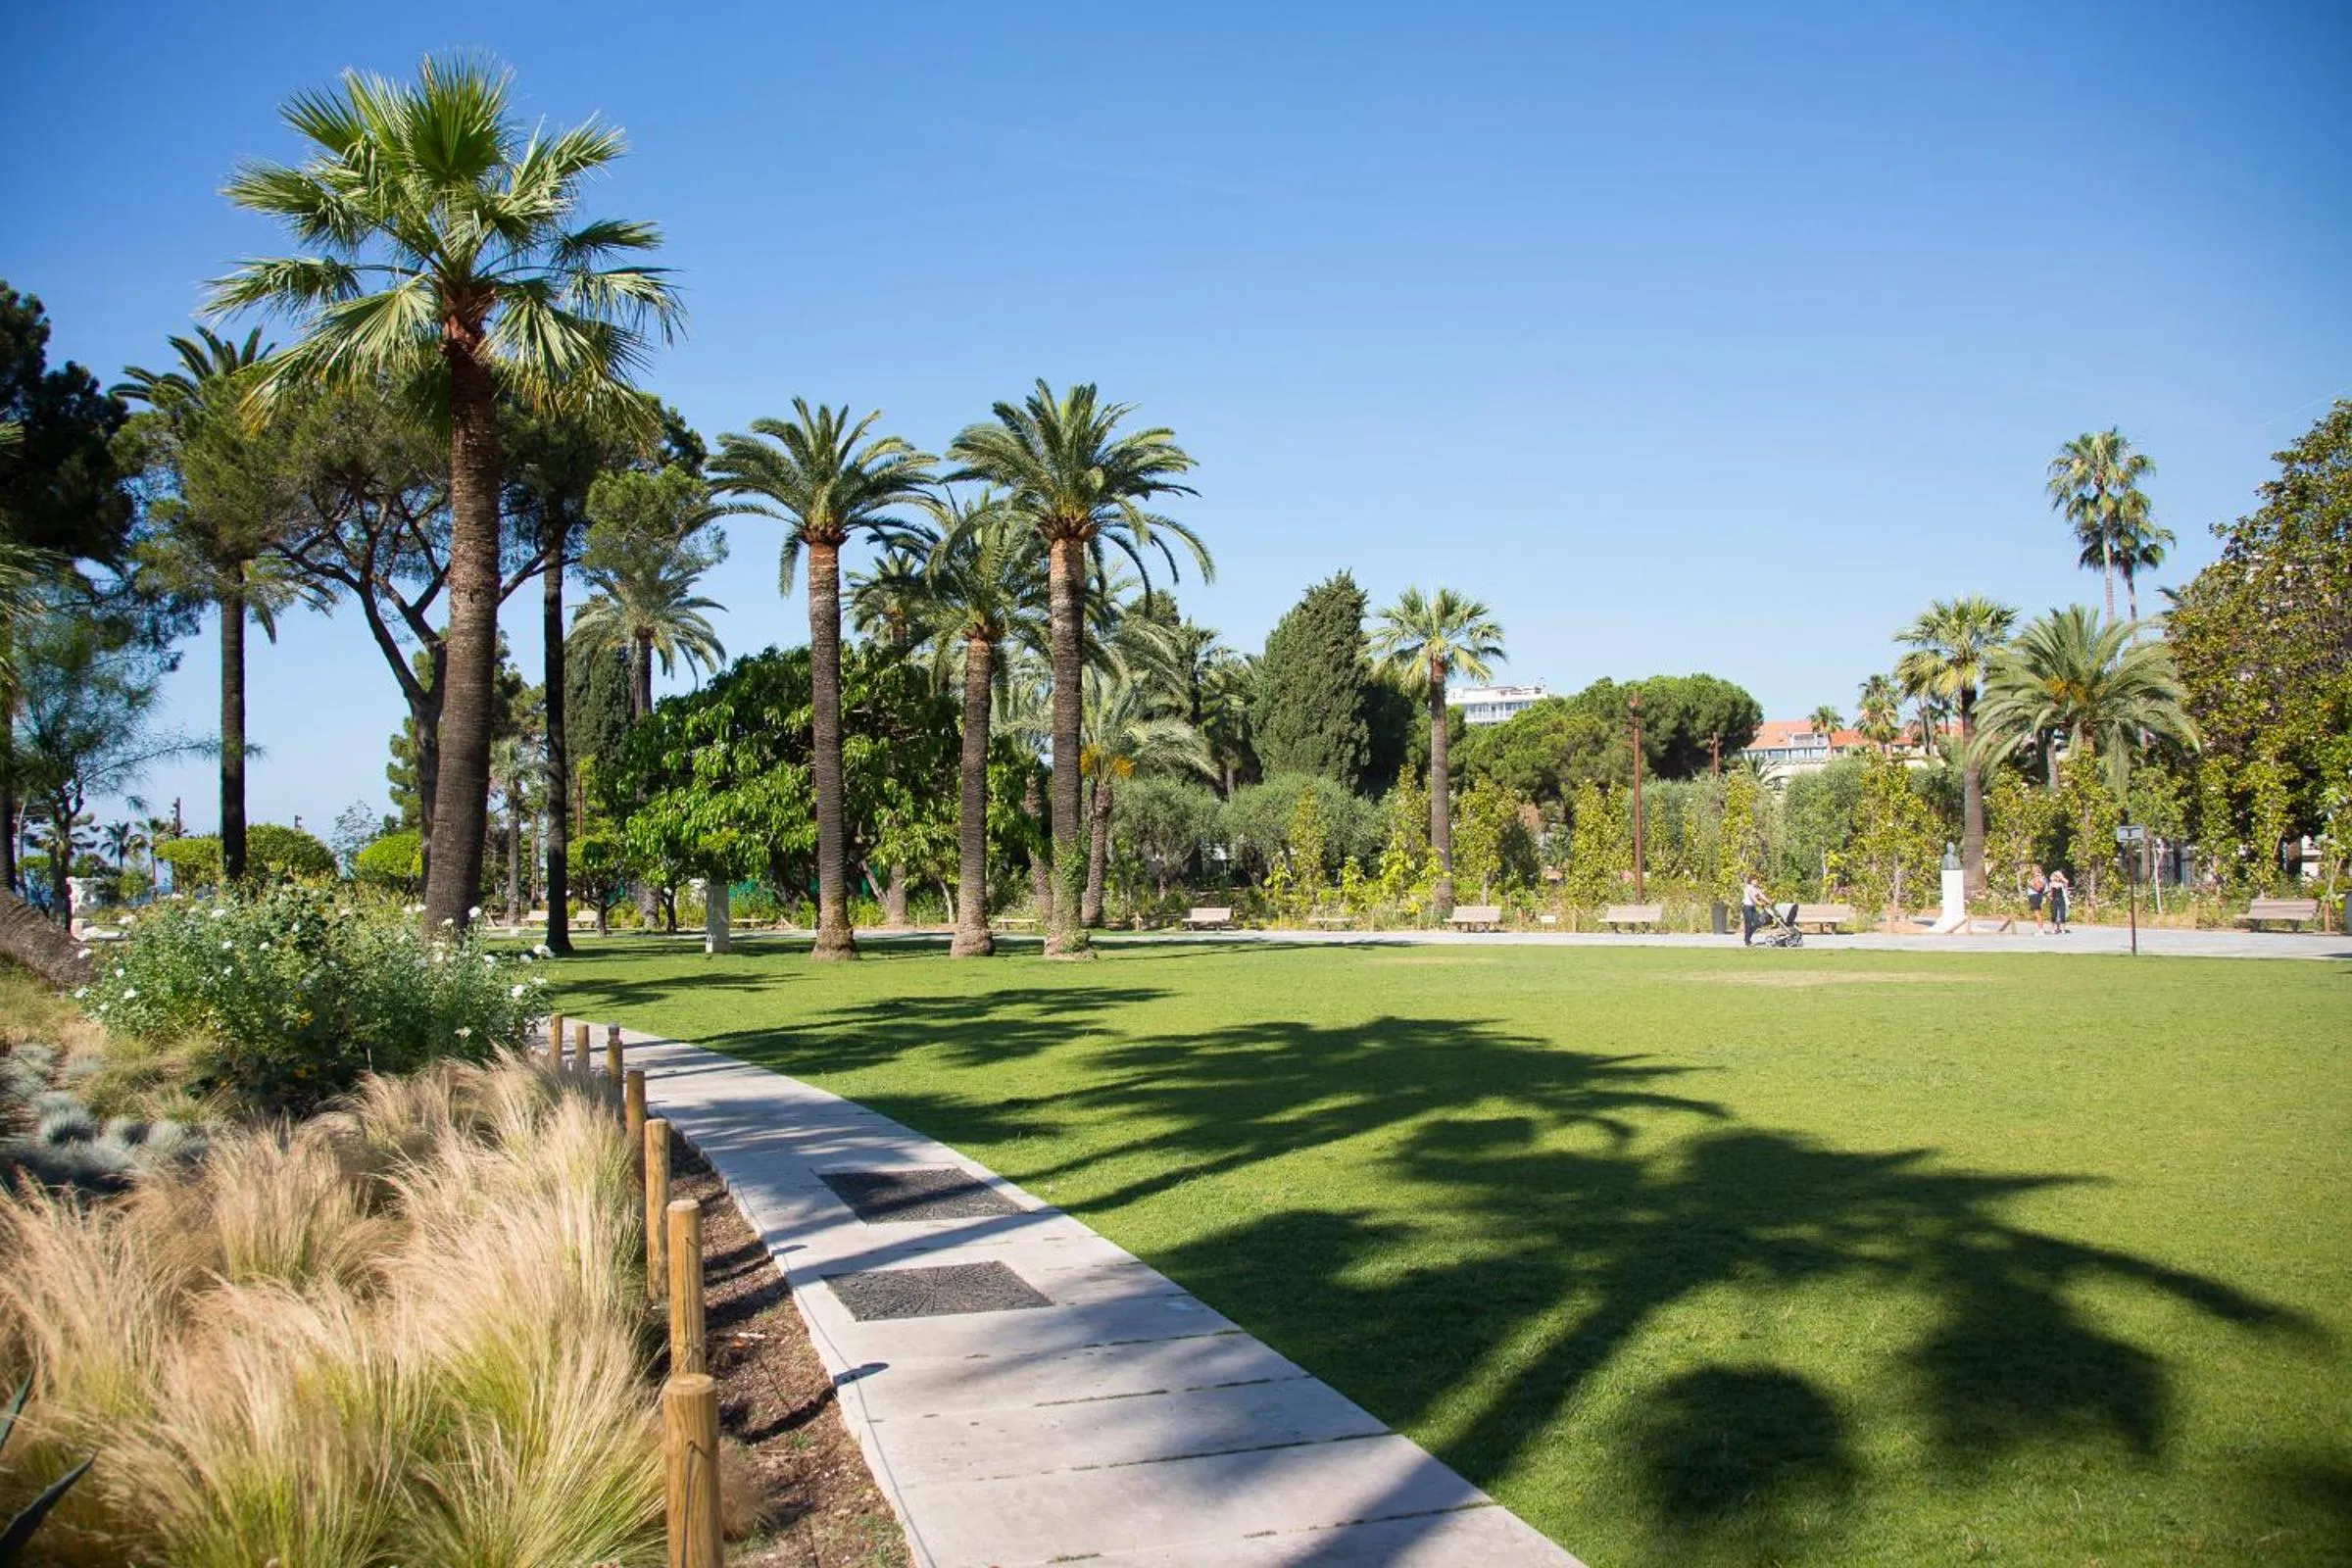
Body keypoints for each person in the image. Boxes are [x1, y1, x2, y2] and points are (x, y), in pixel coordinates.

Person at [1740, 871, 1767, 946]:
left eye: (1757, 880)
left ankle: (1747, 936)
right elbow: (1752, 897)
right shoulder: (1748, 887)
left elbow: (1762, 895)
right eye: (1755, 880)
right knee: (1748, 924)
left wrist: (1769, 901)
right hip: (1747, 907)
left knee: (1758, 922)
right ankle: (1747, 941)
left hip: (1752, 907)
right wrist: (1759, 903)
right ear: (1751, 881)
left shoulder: (1756, 888)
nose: (1757, 881)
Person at [2046, 867, 2071, 933]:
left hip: (2061, 899)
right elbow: (2050, 892)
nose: (2057, 878)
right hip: (2054, 899)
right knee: (2053, 914)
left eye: (2058, 876)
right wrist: (2049, 896)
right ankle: (2053, 929)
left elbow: (2067, 881)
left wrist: (2061, 877)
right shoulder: (2051, 884)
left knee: (2062, 914)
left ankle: (2063, 929)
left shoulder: (2062, 883)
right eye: (2056, 876)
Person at [2026, 864, 2047, 935]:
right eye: (2032, 869)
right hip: (2036, 896)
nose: (2032, 870)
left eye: (2033, 869)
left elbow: (2038, 888)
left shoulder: (2036, 877)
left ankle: (2041, 930)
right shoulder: (2040, 877)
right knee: (2038, 913)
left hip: (2035, 896)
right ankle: (2041, 929)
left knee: (2037, 913)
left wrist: (2030, 885)